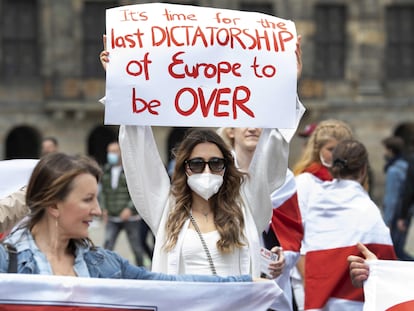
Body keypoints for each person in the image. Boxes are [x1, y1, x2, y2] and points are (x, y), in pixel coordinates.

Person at [0, 152, 257, 285]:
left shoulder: (106, 265)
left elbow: (169, 285)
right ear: (54, 205)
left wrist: (245, 283)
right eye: (87, 199)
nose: (98, 210)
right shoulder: (5, 263)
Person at [298, 139, 396, 310]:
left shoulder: (316, 204)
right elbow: (386, 266)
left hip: (316, 300)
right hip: (352, 304)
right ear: (364, 170)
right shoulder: (368, 211)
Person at [292, 119, 354, 310]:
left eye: (343, 149)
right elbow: (296, 235)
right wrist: (309, 280)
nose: (337, 155)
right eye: (331, 149)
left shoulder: (350, 184)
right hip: (311, 274)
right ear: (318, 150)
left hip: (343, 274)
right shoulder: (305, 182)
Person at [99, 140, 145, 266]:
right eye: (109, 152)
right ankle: (104, 269)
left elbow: (138, 191)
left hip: (130, 217)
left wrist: (129, 208)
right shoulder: (106, 171)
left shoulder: (131, 170)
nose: (111, 154)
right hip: (112, 216)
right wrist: (104, 208)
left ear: (121, 152)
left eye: (114, 151)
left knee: (136, 246)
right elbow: (103, 192)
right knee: (108, 244)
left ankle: (142, 270)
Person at [381, 136, 412, 260]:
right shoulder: (406, 166)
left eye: (385, 149)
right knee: (398, 249)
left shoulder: (393, 171)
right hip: (405, 213)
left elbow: (391, 198)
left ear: (391, 150)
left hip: (395, 216)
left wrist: (387, 221)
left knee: (395, 252)